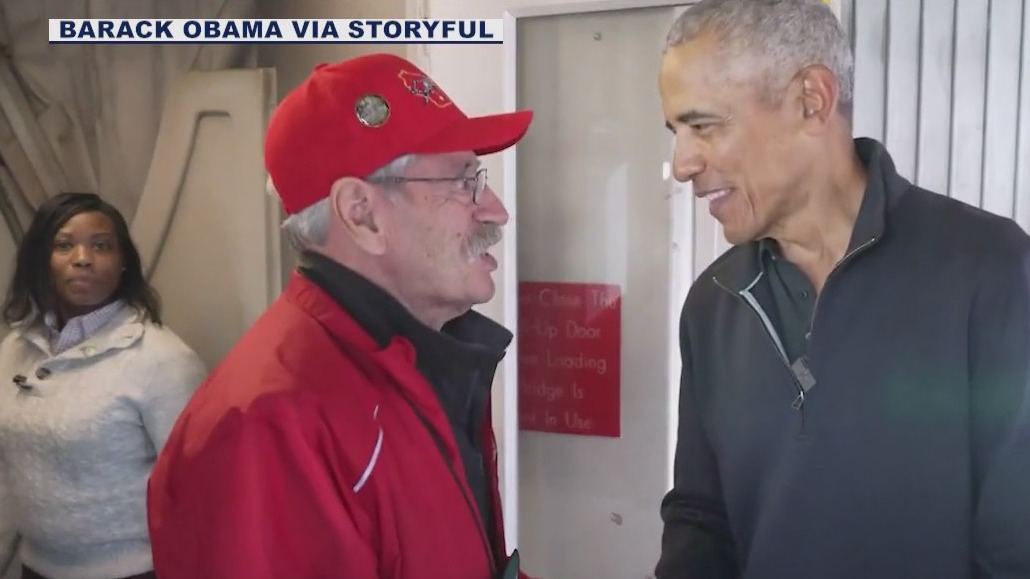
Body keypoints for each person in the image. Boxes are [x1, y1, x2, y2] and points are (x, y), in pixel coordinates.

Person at [655, 1, 1030, 578]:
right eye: (676, 132)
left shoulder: (990, 270)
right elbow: (702, 517)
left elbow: (1016, 542)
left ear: (813, 99)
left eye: (703, 126)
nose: (682, 164)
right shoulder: (715, 301)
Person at [147, 53, 534, 579]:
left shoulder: (424, 358)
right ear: (362, 213)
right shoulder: (266, 428)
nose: (496, 210)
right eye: (465, 182)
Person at [0, 192, 206, 579]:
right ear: (41, 259)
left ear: (123, 261)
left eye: (101, 246)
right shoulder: (14, 349)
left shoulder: (161, 359)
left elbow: (201, 491)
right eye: (64, 245)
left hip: (135, 570)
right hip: (36, 566)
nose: (83, 258)